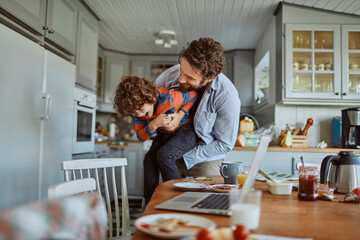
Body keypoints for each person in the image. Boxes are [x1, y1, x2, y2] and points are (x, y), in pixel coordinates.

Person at [156, 37, 241, 177]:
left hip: (205, 160)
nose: (181, 79)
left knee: (205, 199)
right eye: (181, 70)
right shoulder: (170, 75)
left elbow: (225, 143)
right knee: (164, 198)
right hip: (168, 155)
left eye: (189, 78)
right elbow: (148, 103)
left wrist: (186, 156)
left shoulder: (227, 96)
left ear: (209, 78)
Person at [113, 75, 198, 204]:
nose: (140, 115)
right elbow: (140, 136)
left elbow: (193, 95)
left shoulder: (170, 98)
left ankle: (174, 198)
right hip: (164, 134)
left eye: (141, 110)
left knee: (164, 155)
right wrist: (153, 124)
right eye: (134, 114)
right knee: (149, 159)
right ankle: (149, 201)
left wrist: (180, 115)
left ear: (149, 97)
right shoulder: (139, 113)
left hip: (185, 132)